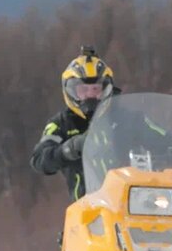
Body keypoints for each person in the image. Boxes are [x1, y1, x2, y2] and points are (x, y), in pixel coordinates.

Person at [30, 45, 116, 200]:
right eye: (83, 90)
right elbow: (39, 159)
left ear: (106, 89)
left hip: (132, 201)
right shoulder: (61, 124)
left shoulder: (123, 117)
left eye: (96, 90)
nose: (90, 97)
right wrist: (69, 149)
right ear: (71, 91)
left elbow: (159, 134)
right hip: (86, 207)